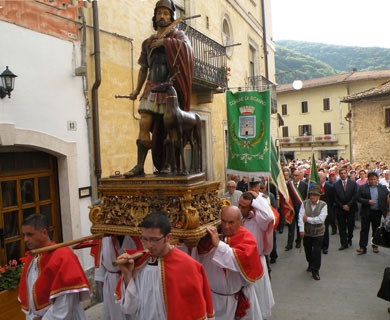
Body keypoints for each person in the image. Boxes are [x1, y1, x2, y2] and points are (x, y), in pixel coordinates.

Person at [123, 0, 194, 177]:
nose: (162, 16)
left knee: (169, 127)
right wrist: (136, 91)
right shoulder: (147, 42)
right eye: (159, 13)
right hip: (151, 86)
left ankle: (168, 165)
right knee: (144, 122)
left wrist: (166, 44)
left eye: (166, 13)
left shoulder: (178, 37)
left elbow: (188, 51)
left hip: (169, 87)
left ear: (171, 17)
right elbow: (143, 68)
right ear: (155, 17)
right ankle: (139, 165)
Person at [116, 211, 214, 319]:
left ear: (168, 237)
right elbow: (130, 308)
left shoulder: (188, 267)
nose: (148, 245)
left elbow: (194, 309)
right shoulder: (140, 264)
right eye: (144, 239)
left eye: (154, 240)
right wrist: (127, 275)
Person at [193, 205, 263, 320]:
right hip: (212, 298)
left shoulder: (247, 238)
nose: (226, 226)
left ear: (240, 222)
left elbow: (240, 261)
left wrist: (218, 245)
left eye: (231, 222)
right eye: (224, 221)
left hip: (234, 301)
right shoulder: (209, 236)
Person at [19, 214, 90, 320]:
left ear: (44, 232)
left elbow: (65, 303)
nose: (25, 239)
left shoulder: (63, 257)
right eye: (24, 235)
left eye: (30, 234)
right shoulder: (32, 257)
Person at [238, 191, 275, 319]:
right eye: (239, 205)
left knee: (259, 298)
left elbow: (269, 216)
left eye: (244, 207)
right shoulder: (238, 220)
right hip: (241, 265)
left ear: (252, 207)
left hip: (256, 263)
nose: (240, 209)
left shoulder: (259, 220)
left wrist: (257, 197)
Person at [93, 236, 142, 320]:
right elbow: (99, 259)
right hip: (111, 280)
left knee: (132, 308)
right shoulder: (102, 238)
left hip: (132, 278)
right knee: (114, 311)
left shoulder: (134, 237)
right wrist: (102, 279)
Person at [298, 185, 328, 281]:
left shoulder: (323, 205)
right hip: (307, 232)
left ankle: (315, 271)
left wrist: (308, 219)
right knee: (308, 250)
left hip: (318, 232)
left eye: (315, 195)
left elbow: (320, 219)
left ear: (319, 196)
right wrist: (301, 230)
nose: (312, 197)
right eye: (311, 195)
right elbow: (300, 217)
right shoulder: (305, 204)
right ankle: (310, 263)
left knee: (317, 251)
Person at [356, 171, 389, 254]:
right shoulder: (363, 187)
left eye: (374, 179)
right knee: (364, 230)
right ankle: (362, 247)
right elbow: (358, 198)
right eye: (371, 179)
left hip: (377, 212)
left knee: (376, 230)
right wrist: (367, 201)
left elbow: (387, 198)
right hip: (366, 212)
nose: (373, 181)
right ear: (368, 179)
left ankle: (375, 246)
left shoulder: (383, 187)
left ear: (377, 179)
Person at [333, 168, 358, 250]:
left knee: (350, 225)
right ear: (339, 175)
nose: (343, 174)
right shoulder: (336, 185)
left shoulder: (353, 183)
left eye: (344, 173)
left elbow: (355, 196)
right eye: (341, 173)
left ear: (347, 174)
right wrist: (342, 206)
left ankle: (349, 237)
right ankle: (344, 243)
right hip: (340, 209)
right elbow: (335, 197)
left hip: (351, 208)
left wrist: (348, 205)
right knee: (341, 226)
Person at [285, 170, 308, 250]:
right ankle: (289, 244)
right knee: (291, 227)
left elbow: (306, 197)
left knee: (299, 225)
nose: (294, 177)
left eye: (296, 175)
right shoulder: (289, 185)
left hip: (300, 208)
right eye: (294, 175)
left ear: (300, 176)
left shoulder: (304, 185)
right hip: (291, 209)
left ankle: (298, 242)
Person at [318, 171, 335, 254]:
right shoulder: (315, 186)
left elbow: (332, 200)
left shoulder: (330, 187)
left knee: (325, 229)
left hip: (326, 211)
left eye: (319, 177)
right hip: (317, 212)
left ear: (324, 178)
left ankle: (325, 246)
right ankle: (318, 245)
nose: (317, 179)